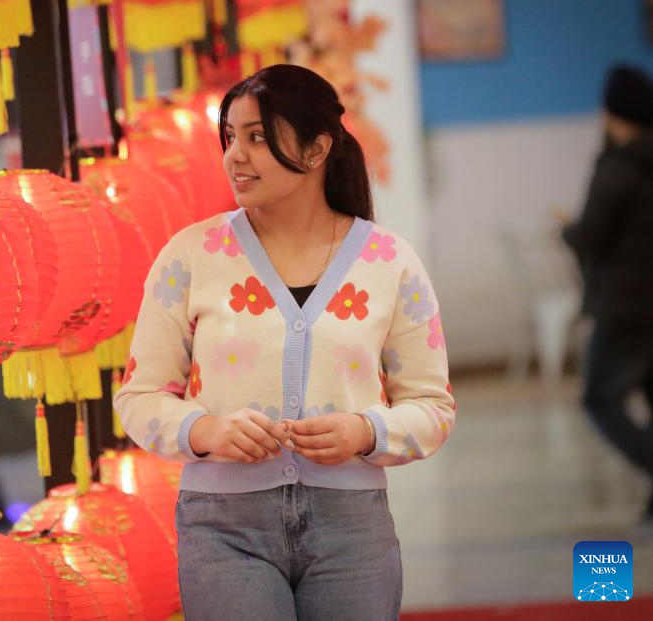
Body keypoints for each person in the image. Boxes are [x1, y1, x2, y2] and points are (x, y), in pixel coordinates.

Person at [114, 65, 456, 620]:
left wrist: (365, 431)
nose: (235, 156)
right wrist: (206, 430)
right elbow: (139, 396)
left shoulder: (390, 262)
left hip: (352, 530)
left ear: (317, 149)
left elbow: (433, 406)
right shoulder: (190, 256)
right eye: (230, 137)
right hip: (223, 529)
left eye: (257, 137)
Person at [562, 63, 653, 529]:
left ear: (614, 114)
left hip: (625, 307)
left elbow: (591, 236)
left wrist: (566, 229)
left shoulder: (617, 168)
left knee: (599, 399)